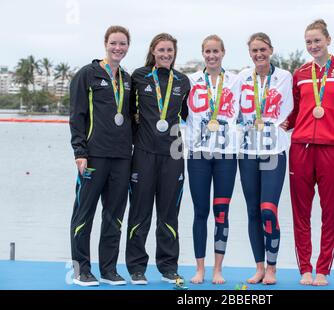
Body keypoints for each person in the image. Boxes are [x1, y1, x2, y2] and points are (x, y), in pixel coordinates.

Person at [285, 20, 334, 286]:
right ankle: (305, 268)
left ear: (328, 40)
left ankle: (323, 269)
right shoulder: (300, 73)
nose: (313, 46)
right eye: (308, 42)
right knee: (300, 213)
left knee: (330, 212)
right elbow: (294, 109)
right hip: (300, 147)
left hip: (332, 148)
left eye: (317, 40)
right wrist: (281, 124)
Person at [125, 33, 190, 285]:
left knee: (169, 214)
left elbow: (187, 115)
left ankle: (168, 267)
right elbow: (128, 112)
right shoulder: (139, 77)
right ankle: (136, 268)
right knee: (140, 213)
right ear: (153, 51)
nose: (166, 54)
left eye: (170, 51)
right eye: (161, 50)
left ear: (175, 53)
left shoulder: (183, 81)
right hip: (143, 154)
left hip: (173, 155)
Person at [69, 25, 132, 286]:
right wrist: (79, 152)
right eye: (114, 43)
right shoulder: (88, 74)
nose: (118, 48)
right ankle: (81, 269)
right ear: (105, 44)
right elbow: (77, 116)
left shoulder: (128, 79)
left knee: (114, 216)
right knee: (84, 214)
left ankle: (108, 269)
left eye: (123, 44)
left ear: (128, 47)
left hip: (122, 158)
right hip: (93, 157)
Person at [238, 32, 293, 285]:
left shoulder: (284, 77)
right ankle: (259, 267)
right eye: (254, 51)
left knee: (268, 210)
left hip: (274, 152)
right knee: (252, 212)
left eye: (263, 49)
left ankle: (272, 267)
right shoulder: (241, 78)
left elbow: (295, 108)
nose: (259, 54)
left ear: (271, 49)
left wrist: (287, 125)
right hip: (248, 152)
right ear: (250, 53)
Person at [186, 35, 241, 284]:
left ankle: (218, 269)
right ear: (203, 53)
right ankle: (200, 269)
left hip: (226, 155)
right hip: (197, 155)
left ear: (223, 52)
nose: (211, 55)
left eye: (216, 51)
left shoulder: (235, 81)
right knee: (200, 211)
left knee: (221, 212)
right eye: (207, 51)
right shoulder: (192, 81)